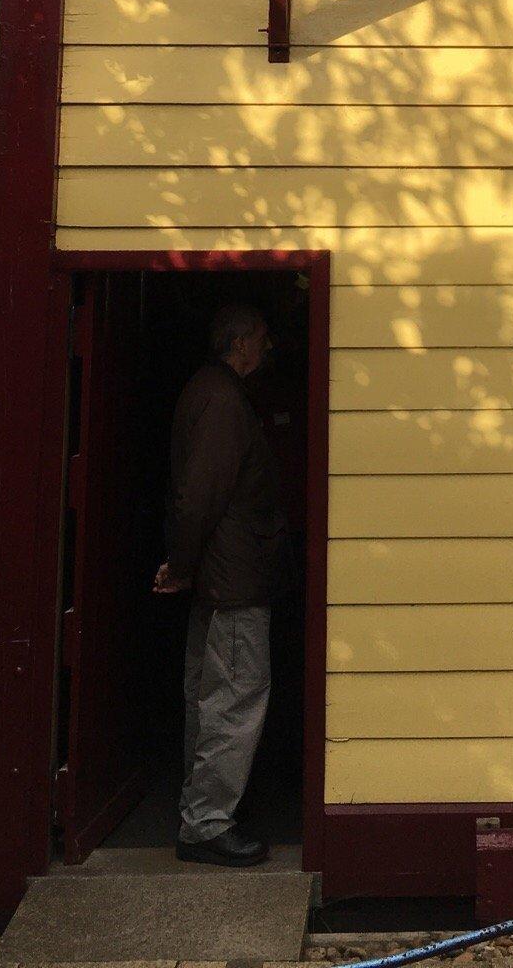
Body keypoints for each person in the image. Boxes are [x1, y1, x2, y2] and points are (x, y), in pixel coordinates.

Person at [154, 302, 287, 867]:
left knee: (209, 696)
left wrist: (185, 564)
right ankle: (207, 822)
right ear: (240, 345)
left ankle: (199, 811)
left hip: (219, 577)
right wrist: (181, 565)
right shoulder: (225, 403)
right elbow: (200, 495)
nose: (267, 347)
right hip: (232, 582)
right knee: (236, 696)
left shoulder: (206, 392)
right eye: (261, 338)